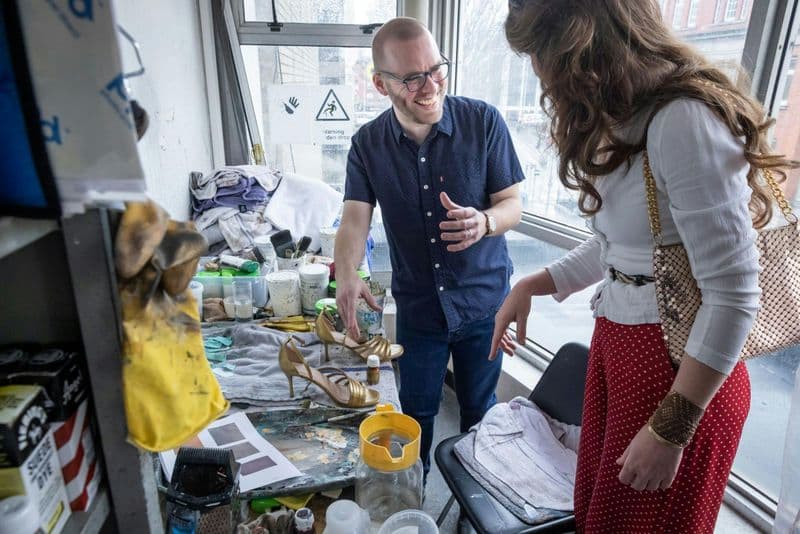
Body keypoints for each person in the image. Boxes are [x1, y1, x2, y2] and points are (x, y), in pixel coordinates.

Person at [492, 1, 798, 532]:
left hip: (679, 375)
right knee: (604, 518)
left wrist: (670, 429)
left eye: (543, 53)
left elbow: (734, 293)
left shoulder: (683, 119)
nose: (541, 73)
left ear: (584, 42)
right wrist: (537, 282)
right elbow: (626, 247)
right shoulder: (625, 112)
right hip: (628, 353)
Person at [334, 17, 524, 475]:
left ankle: (479, 506)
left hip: (484, 305)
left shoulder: (484, 122)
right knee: (414, 414)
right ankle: (411, 501)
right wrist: (346, 274)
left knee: (481, 413)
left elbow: (512, 204)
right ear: (381, 84)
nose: (430, 85)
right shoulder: (367, 144)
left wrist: (485, 221)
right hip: (420, 310)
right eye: (412, 77)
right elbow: (355, 218)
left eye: (436, 68)